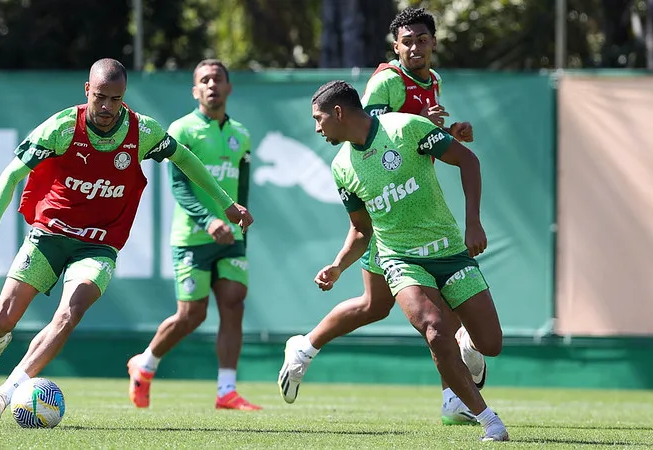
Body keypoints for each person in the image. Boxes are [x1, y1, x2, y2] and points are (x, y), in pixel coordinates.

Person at [0, 58, 253, 422]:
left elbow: (185, 159)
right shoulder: (63, 126)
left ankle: (7, 392)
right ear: (88, 91)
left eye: (115, 99)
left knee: (71, 311)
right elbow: (10, 176)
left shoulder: (141, 131)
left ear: (124, 97)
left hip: (98, 245)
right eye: (100, 97)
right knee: (2, 318)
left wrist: (226, 204)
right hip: (50, 234)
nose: (106, 107)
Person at [278, 7, 484, 426]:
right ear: (395, 46)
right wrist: (424, 126)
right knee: (418, 305)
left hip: (413, 209)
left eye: (421, 39)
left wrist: (450, 132)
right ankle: (454, 388)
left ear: (433, 43)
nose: (414, 47)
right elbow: (369, 130)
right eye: (406, 41)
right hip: (388, 211)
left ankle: (304, 348)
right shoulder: (388, 80)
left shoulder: (432, 81)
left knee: (377, 305)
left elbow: (420, 135)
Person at [303, 80, 508, 442]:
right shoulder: (341, 167)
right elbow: (362, 229)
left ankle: (468, 345)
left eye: (319, 119)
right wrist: (338, 265)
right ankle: (488, 420)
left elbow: (467, 159)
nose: (317, 128)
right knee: (433, 328)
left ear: (338, 112)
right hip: (400, 259)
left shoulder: (405, 128)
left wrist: (473, 222)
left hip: (449, 252)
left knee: (491, 344)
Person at [127, 59, 260, 411]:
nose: (212, 85)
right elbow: (179, 187)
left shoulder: (241, 135)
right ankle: (145, 364)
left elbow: (242, 186)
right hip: (191, 238)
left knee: (234, 303)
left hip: (230, 238)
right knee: (192, 315)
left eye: (218, 79)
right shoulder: (182, 130)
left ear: (229, 88)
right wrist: (208, 221)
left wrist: (239, 225)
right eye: (204, 80)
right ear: (195, 90)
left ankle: (226, 391)